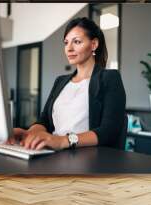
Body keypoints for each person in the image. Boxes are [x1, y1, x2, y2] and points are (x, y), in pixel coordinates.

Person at [8, 17, 126, 150]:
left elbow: (109, 131)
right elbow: (44, 121)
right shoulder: (60, 81)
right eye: (66, 42)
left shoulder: (110, 78)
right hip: (52, 153)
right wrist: (29, 133)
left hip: (87, 158)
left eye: (76, 42)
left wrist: (63, 141)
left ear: (93, 44)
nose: (69, 48)